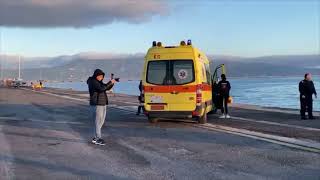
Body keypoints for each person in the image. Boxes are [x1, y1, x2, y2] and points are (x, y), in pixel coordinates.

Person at [87, 69, 117, 145]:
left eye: (102, 76)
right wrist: (110, 82)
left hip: (102, 103)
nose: (101, 77)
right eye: (100, 76)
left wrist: (112, 82)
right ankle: (98, 138)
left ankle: (95, 137)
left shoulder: (98, 82)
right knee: (98, 121)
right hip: (97, 104)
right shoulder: (92, 81)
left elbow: (106, 88)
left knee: (101, 122)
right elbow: (101, 89)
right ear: (96, 75)